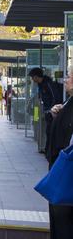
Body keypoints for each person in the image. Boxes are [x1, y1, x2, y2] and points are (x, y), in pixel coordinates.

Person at [41, 70, 73, 239]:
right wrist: (54, 114)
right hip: (61, 172)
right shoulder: (68, 102)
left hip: (67, 175)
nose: (65, 80)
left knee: (63, 222)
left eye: (69, 77)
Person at [28, 67, 64, 155]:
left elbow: (55, 98)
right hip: (47, 112)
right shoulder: (41, 85)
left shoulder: (48, 84)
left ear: (36, 77)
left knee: (51, 132)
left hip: (52, 113)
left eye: (32, 77)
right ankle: (47, 151)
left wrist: (51, 110)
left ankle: (50, 151)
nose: (32, 79)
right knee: (48, 132)